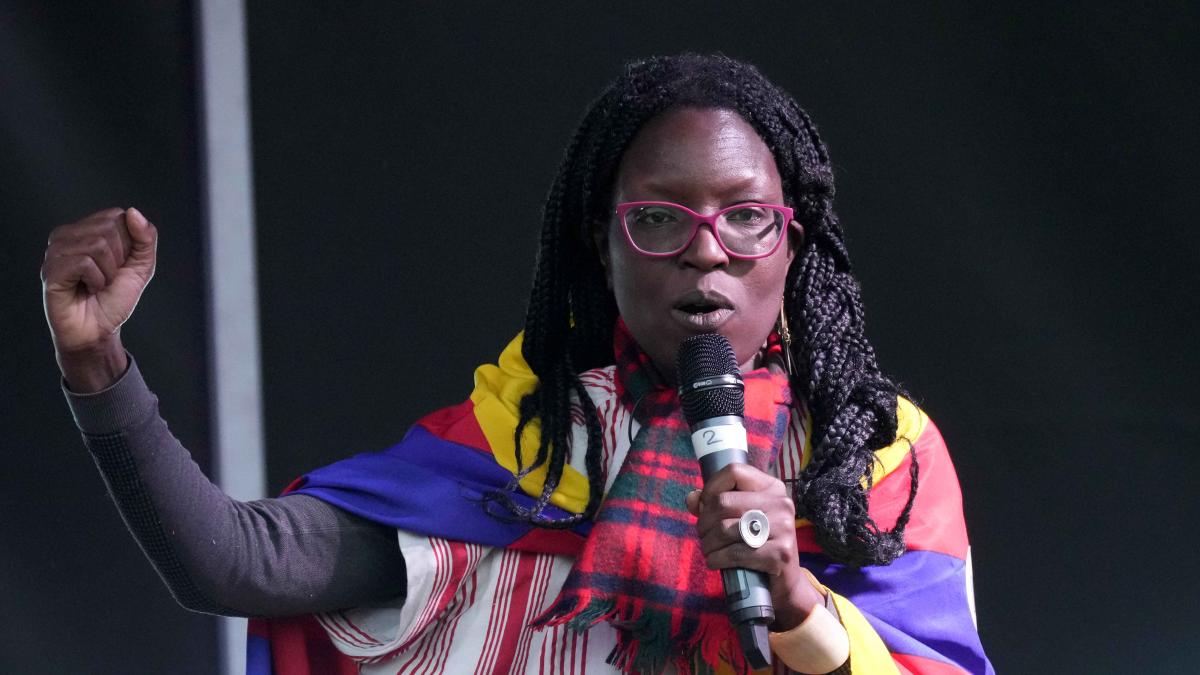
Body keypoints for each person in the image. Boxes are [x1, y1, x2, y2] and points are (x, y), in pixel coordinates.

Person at [43, 54, 992, 674]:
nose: (710, 251)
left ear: (793, 244)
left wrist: (796, 599)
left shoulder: (878, 463)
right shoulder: (516, 440)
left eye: (746, 217)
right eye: (659, 219)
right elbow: (236, 563)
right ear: (602, 245)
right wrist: (98, 365)